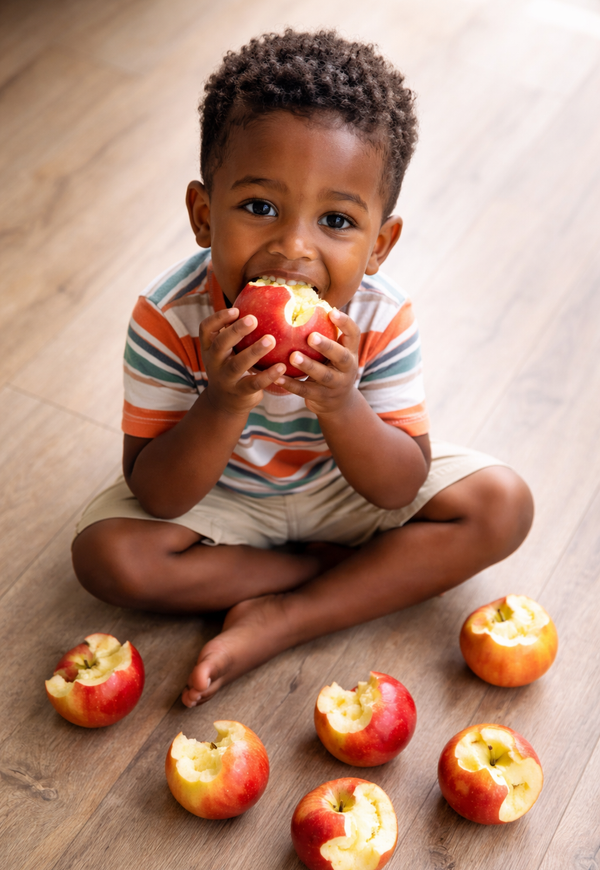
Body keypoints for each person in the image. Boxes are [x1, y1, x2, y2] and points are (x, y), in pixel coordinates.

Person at [72, 29, 533, 707]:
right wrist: (223, 402)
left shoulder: (380, 318)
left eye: (337, 221)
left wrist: (343, 404)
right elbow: (158, 493)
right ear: (204, 215)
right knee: (106, 557)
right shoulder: (168, 317)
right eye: (259, 208)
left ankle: (288, 614)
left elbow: (398, 485)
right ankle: (315, 572)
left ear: (380, 244)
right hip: (223, 499)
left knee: (503, 506)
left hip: (343, 488)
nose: (293, 248)